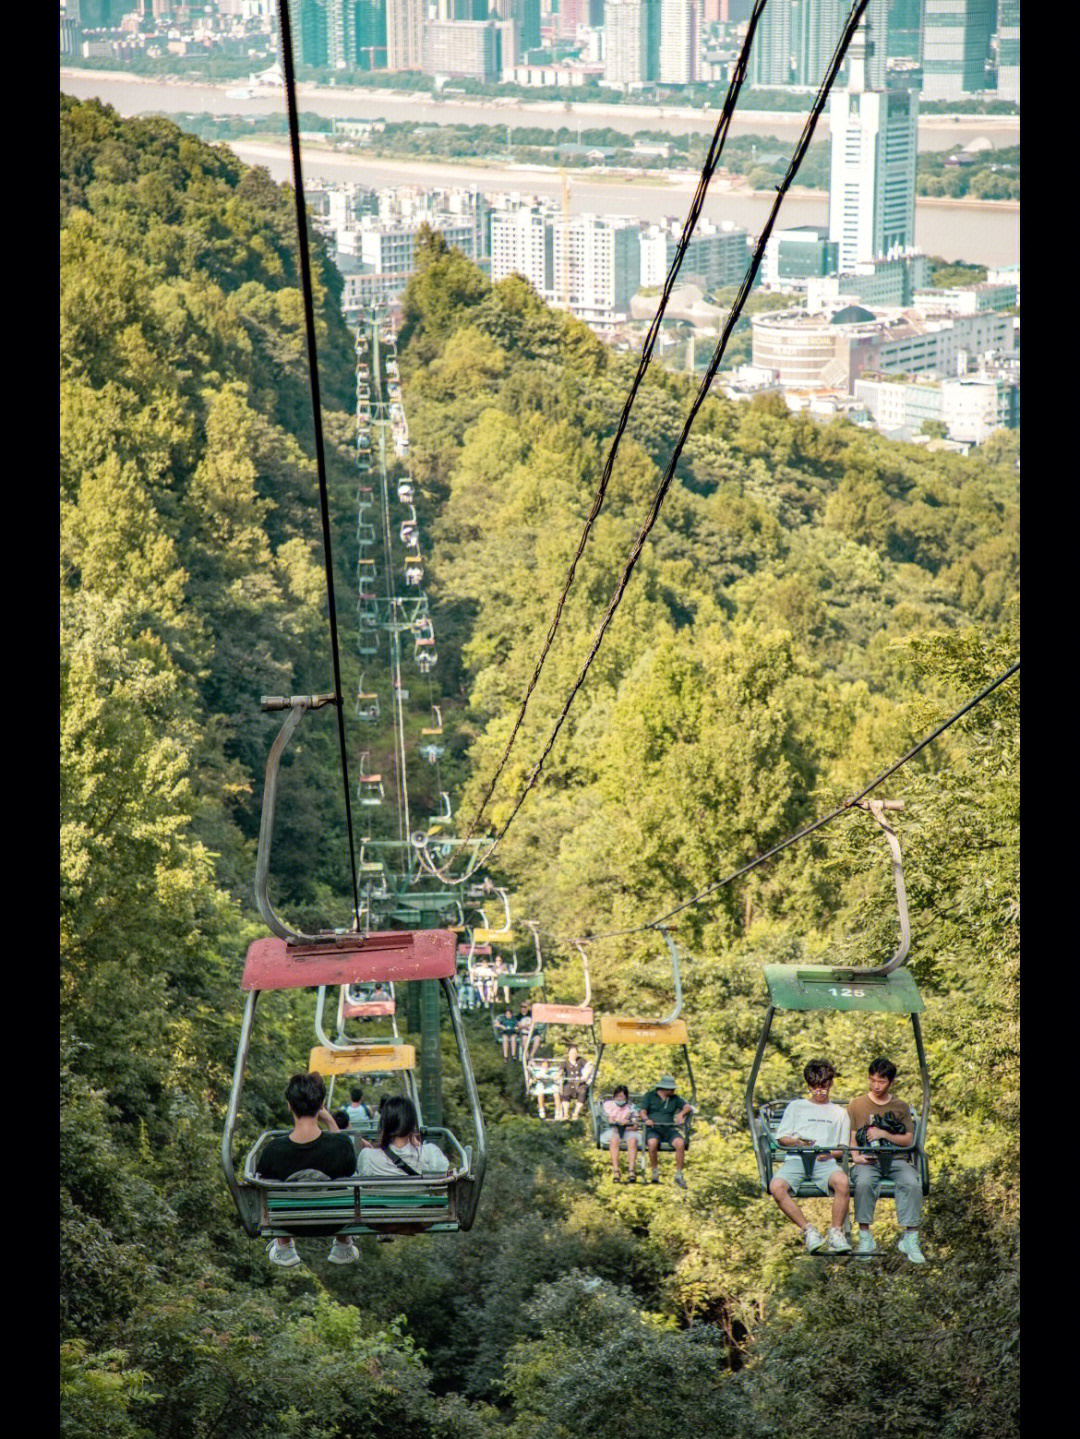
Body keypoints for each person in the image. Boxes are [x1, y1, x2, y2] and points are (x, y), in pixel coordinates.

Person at [257, 1071, 359, 1269]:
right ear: (321, 1106)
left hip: (290, 1223)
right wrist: (330, 1121)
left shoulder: (273, 1149)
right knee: (343, 1183)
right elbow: (349, 1166)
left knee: (271, 1190)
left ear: (290, 1105)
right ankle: (343, 1243)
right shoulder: (340, 1145)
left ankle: (284, 1246)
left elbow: (263, 1185)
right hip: (333, 1221)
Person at [768, 1059, 852, 1254]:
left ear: (830, 1084)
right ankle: (809, 1230)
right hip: (797, 1159)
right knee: (776, 1186)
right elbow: (782, 1138)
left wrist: (828, 1153)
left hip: (824, 1162)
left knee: (842, 1181)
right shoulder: (797, 1107)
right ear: (809, 1086)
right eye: (814, 1088)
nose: (819, 1092)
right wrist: (797, 1143)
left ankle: (836, 1232)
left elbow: (842, 1148)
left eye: (823, 1087)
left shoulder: (839, 1113)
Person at [847, 1056, 925, 1264]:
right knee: (863, 1182)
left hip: (896, 1159)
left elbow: (908, 1139)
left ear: (890, 1082)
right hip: (868, 1159)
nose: (876, 1086)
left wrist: (884, 1134)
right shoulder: (857, 1105)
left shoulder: (900, 1106)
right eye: (872, 1080)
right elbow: (852, 1134)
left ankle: (911, 1237)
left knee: (911, 1183)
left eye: (881, 1081)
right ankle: (865, 1236)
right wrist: (856, 1156)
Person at [358, 1096, 450, 1178]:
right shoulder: (430, 1153)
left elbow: (365, 1185)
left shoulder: (368, 1157)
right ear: (412, 1124)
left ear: (383, 1123)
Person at [639, 1075, 693, 1188]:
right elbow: (642, 1111)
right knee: (652, 1143)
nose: (673, 1091)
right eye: (671, 1089)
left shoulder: (675, 1098)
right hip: (653, 1129)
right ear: (664, 1088)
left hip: (668, 1129)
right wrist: (646, 1119)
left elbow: (687, 1107)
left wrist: (681, 1114)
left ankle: (679, 1174)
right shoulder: (650, 1096)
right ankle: (655, 1171)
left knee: (680, 1143)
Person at [601, 1085, 640, 1182]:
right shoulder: (609, 1106)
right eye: (617, 1097)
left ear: (626, 1098)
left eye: (622, 1097)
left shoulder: (631, 1108)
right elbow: (608, 1121)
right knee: (614, 1140)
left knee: (632, 1141)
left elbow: (635, 1126)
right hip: (614, 1130)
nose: (619, 1099)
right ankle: (616, 1171)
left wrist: (627, 1123)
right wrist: (614, 1121)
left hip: (628, 1130)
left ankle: (631, 1170)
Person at [557, 1045, 590, 1121]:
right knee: (566, 1091)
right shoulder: (565, 1062)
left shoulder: (581, 1060)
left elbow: (589, 1066)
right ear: (568, 1053)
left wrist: (586, 1074)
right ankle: (565, 1114)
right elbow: (561, 1070)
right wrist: (558, 1075)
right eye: (572, 1053)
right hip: (569, 1082)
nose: (574, 1055)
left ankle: (576, 1113)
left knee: (583, 1090)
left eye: (575, 1053)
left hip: (580, 1082)